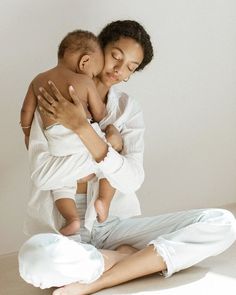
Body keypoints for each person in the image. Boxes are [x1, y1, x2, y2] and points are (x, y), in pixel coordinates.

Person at [18, 20, 236, 295]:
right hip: (62, 232)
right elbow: (43, 175)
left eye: (131, 68)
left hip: (114, 226)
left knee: (223, 223)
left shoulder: (127, 110)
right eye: (116, 57)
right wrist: (108, 150)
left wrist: (84, 130)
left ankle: (103, 275)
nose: (120, 71)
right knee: (33, 259)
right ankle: (128, 260)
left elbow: (132, 179)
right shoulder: (53, 97)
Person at [20, 30, 121, 236]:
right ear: (85, 62)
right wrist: (107, 126)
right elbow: (100, 113)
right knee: (111, 159)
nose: (93, 77)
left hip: (56, 144)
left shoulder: (38, 80)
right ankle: (104, 200)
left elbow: (26, 112)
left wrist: (27, 134)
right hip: (83, 139)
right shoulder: (84, 82)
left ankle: (72, 218)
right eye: (94, 73)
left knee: (61, 185)